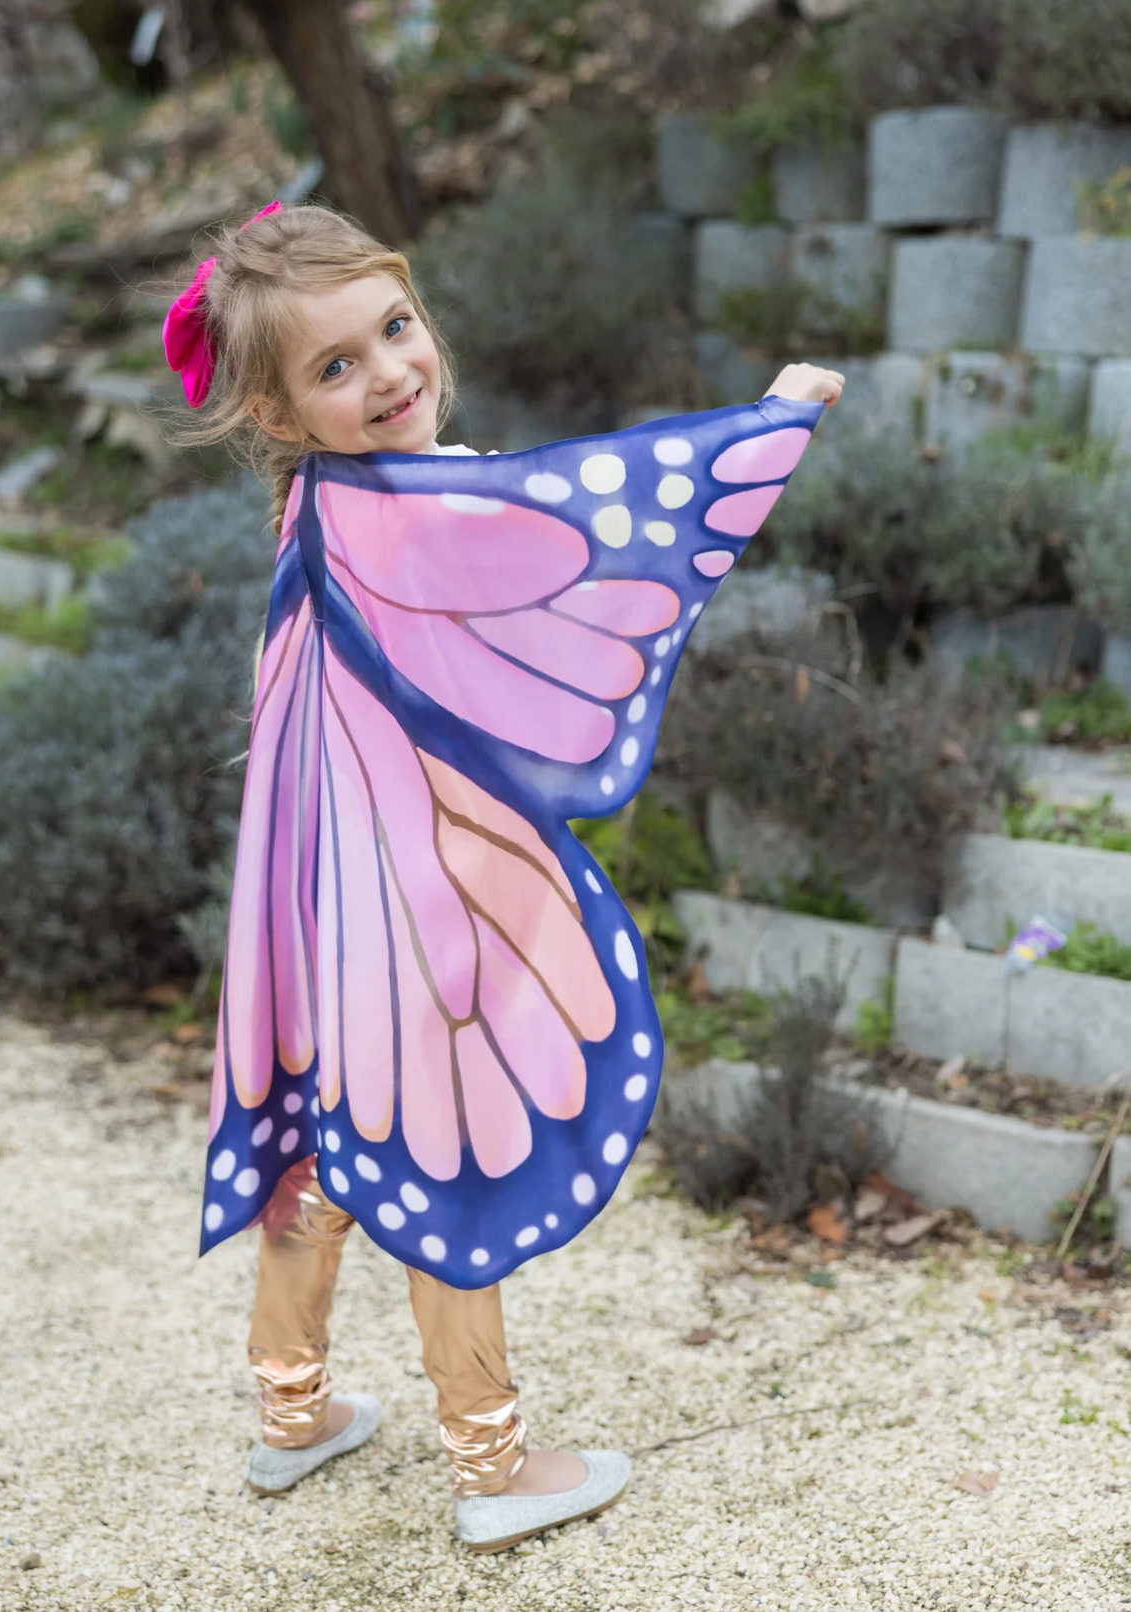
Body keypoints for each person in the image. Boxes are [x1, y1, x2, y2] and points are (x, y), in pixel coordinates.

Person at [163, 200, 843, 1553]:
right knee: (442, 1136)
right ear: (279, 413)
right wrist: (766, 430)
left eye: (394, 327)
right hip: (421, 895)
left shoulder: (318, 502)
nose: (389, 372)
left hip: (318, 887)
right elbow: (603, 531)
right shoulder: (414, 508)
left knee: (324, 1138)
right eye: (337, 365)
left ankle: (292, 1408)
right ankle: (491, 1460)